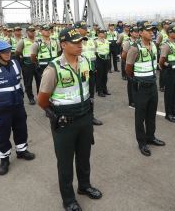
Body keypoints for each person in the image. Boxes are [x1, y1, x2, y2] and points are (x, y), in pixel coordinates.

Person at [37, 28, 102, 211]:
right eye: (76, 42)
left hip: (85, 117)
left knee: (84, 156)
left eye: (81, 41)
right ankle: (68, 199)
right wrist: (55, 116)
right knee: (65, 163)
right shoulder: (53, 68)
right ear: (63, 45)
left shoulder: (84, 62)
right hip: (64, 121)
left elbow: (85, 85)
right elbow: (42, 100)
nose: (80, 45)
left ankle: (84, 186)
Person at [0, 40, 35, 175]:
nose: (7, 54)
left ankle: (22, 150)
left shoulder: (16, 64)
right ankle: (4, 159)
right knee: (3, 135)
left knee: (21, 129)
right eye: (3, 52)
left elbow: (18, 82)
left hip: (18, 106)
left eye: (8, 51)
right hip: (1, 109)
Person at [125, 21, 165, 157]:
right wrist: (137, 80)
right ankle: (142, 142)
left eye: (153, 30)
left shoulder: (153, 45)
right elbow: (128, 68)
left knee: (151, 114)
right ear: (141, 32)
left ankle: (151, 137)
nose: (152, 32)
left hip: (152, 85)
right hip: (141, 86)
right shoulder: (135, 48)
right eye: (148, 30)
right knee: (140, 116)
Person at [75, 21, 103, 126]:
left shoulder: (91, 40)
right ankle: (79, 117)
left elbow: (93, 55)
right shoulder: (73, 42)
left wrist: (95, 67)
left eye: (86, 27)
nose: (86, 29)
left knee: (90, 94)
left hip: (90, 71)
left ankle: (90, 116)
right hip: (79, 72)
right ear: (77, 29)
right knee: (79, 93)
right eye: (83, 27)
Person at [159, 26, 175, 123]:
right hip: (169, 72)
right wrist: (165, 66)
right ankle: (168, 114)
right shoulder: (166, 45)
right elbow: (161, 60)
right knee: (169, 93)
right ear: (170, 33)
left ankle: (174, 110)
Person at [15, 26, 38, 105]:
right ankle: (30, 97)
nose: (32, 32)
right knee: (28, 82)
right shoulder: (23, 41)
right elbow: (17, 52)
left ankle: (40, 95)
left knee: (40, 80)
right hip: (27, 63)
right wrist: (23, 57)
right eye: (31, 31)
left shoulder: (38, 40)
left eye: (33, 31)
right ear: (27, 32)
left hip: (37, 62)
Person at [121, 25, 139, 107]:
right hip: (129, 65)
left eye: (138, 32)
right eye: (135, 32)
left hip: (137, 65)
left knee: (136, 83)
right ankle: (131, 101)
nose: (137, 33)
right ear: (131, 33)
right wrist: (129, 62)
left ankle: (136, 99)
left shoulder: (139, 41)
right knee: (131, 83)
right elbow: (123, 55)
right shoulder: (128, 42)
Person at [94, 29, 110, 99]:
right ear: (98, 34)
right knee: (99, 76)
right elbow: (94, 51)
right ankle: (99, 91)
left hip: (106, 59)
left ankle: (105, 89)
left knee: (105, 75)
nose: (103, 34)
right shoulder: (95, 41)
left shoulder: (106, 41)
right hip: (99, 59)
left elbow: (107, 50)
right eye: (101, 33)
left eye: (104, 33)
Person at [156, 20, 171, 92]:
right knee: (163, 70)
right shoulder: (161, 34)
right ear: (163, 25)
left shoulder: (169, 33)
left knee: (168, 70)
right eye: (167, 24)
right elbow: (157, 44)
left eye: (169, 24)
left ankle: (167, 84)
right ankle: (161, 86)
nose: (168, 25)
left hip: (169, 54)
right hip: (162, 54)